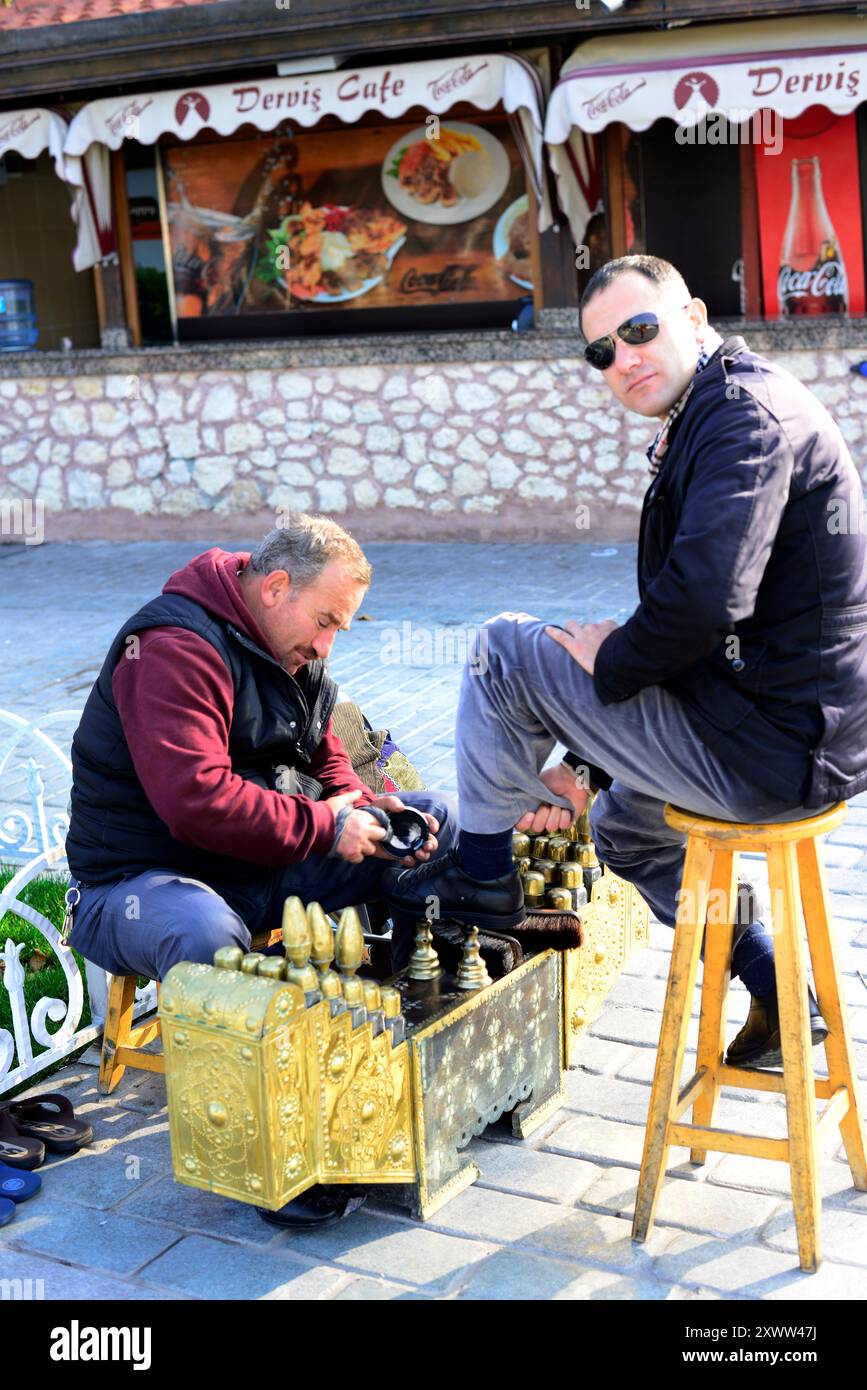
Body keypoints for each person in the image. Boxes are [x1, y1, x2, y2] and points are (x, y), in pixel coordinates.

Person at [385, 253, 867, 1073]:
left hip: (774, 745)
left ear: (694, 316)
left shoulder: (743, 419)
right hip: (769, 727)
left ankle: (484, 878)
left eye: (638, 330)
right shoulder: (713, 408)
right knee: (624, 830)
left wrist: (610, 663)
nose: (623, 359)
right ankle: (779, 986)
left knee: (504, 647)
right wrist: (586, 761)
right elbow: (695, 618)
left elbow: (705, 599)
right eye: (599, 350)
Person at [65, 513, 457, 1228]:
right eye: (327, 621)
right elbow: (197, 805)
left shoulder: (293, 647)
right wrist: (327, 825)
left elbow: (324, 753)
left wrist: (368, 806)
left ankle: (401, 1046)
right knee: (203, 930)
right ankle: (269, 1155)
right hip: (140, 884)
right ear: (276, 587)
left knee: (430, 822)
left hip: (257, 866)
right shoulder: (170, 649)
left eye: (342, 625)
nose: (328, 642)